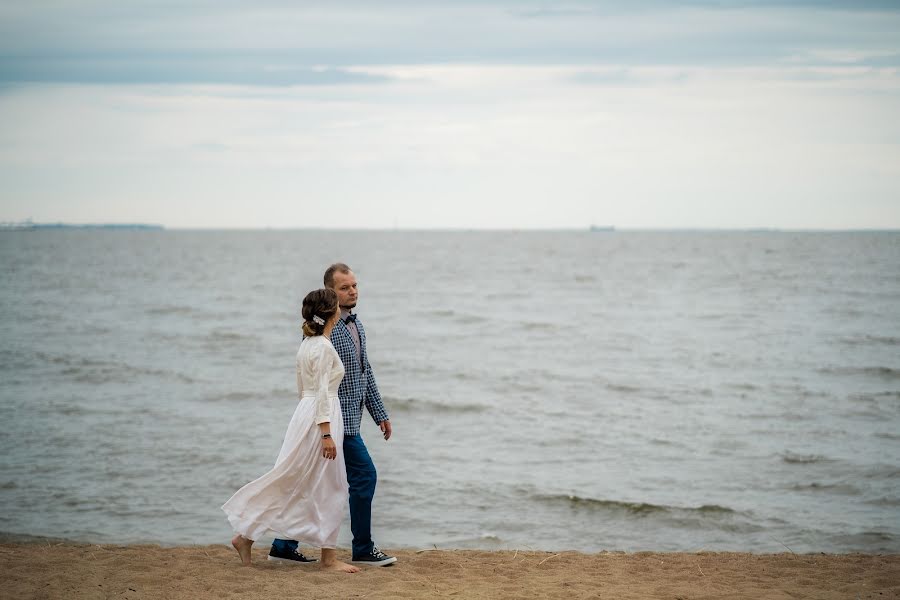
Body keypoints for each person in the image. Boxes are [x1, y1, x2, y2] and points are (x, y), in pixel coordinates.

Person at [222, 288, 359, 573]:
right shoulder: (321, 346)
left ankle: (246, 537)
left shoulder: (307, 344)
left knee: (295, 481)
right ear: (332, 312)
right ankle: (328, 560)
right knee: (330, 485)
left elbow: (302, 389)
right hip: (322, 416)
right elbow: (322, 390)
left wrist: (310, 421)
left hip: (306, 414)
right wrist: (325, 432)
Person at [271, 263, 397, 567]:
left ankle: (283, 544)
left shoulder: (357, 326)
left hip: (348, 422)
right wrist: (324, 429)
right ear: (331, 292)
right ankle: (362, 548)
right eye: (345, 287)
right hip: (333, 424)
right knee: (363, 476)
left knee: (313, 482)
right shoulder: (322, 337)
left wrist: (379, 413)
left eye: (354, 285)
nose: (352, 291)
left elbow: (365, 373)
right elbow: (315, 384)